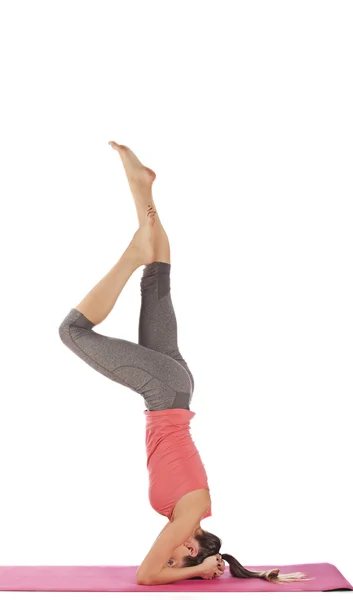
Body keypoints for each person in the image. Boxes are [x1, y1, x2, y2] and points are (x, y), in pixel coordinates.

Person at [58, 143, 310, 586]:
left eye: (175, 560)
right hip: (163, 390)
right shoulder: (187, 516)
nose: (171, 556)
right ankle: (131, 253)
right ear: (191, 545)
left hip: (175, 386)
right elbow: (146, 576)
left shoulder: (187, 509)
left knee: (157, 281)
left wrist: (238, 572)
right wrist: (194, 571)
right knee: (73, 332)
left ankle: (142, 190)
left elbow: (165, 564)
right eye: (180, 557)